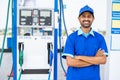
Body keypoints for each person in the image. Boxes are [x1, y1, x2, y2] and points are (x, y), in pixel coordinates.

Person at [62, 5, 108, 80]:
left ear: (93, 19)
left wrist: (80, 57)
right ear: (79, 18)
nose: (86, 19)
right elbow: (70, 62)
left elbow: (103, 60)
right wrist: (95, 59)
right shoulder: (71, 38)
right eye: (83, 16)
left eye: (89, 16)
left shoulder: (100, 38)